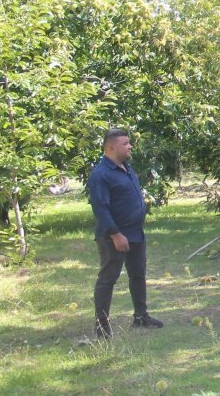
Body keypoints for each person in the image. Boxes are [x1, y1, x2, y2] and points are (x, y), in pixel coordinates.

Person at [88, 128, 163, 338]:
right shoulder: (101, 174)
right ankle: (102, 327)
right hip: (114, 237)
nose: (130, 146)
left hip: (135, 233)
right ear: (111, 148)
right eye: (125, 143)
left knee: (138, 275)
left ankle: (141, 316)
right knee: (107, 279)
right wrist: (115, 234)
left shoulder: (127, 169)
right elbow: (101, 209)